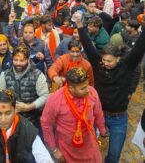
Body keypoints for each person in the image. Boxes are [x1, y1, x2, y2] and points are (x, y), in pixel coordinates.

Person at [74, 12, 145, 163]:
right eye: (104, 59)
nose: (105, 63)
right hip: (97, 114)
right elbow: (87, 45)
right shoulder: (98, 65)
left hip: (119, 118)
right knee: (88, 147)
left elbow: (139, 48)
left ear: (118, 58)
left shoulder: (126, 66)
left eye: (109, 61)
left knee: (113, 154)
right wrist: (80, 25)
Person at [41, 67, 107, 163]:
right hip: (67, 149)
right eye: (83, 88)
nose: (87, 90)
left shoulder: (92, 92)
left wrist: (102, 131)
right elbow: (45, 123)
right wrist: (54, 149)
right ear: (71, 88)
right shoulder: (55, 99)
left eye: (87, 85)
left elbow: (98, 113)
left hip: (89, 146)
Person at [0, 45, 49, 129]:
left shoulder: (37, 75)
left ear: (28, 60)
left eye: (22, 60)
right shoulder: (5, 74)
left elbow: (45, 96)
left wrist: (28, 107)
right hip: (10, 120)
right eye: (15, 60)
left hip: (32, 120)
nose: (18, 63)